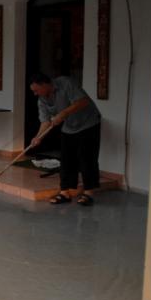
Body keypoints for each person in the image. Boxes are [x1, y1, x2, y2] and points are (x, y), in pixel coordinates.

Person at [29, 74, 102, 206]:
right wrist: (38, 137)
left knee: (87, 158)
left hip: (88, 124)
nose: (35, 94)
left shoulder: (66, 83)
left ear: (45, 84)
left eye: (36, 90)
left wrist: (63, 113)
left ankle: (89, 193)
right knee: (67, 159)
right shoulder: (42, 100)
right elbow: (45, 122)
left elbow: (83, 101)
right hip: (69, 127)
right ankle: (65, 193)